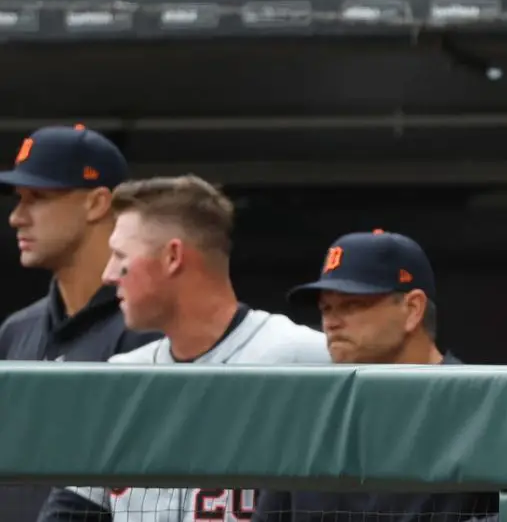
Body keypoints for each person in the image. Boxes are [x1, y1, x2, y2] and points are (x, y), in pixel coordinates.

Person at [37, 174, 331, 522]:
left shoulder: (305, 358)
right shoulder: (120, 375)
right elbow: (70, 512)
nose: (109, 274)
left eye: (120, 255)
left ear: (173, 256)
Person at [253, 229, 498, 522]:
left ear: (412, 309)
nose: (331, 321)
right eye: (326, 307)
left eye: (351, 304)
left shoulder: (481, 409)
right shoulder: (311, 420)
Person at [0, 125, 159, 522]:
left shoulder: (150, 331)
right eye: (18, 200)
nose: (17, 217)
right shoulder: (16, 330)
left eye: (38, 198)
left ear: (96, 203)